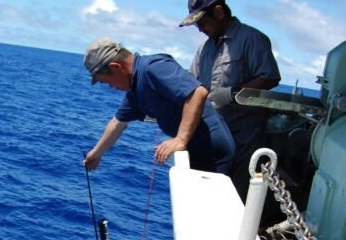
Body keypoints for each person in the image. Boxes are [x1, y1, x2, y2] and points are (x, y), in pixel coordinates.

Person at [179, 0, 281, 200]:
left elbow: (269, 77)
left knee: (234, 195)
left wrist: (233, 93)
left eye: (201, 23)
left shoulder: (251, 39)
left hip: (243, 137)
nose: (199, 29)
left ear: (218, 12)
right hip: (212, 135)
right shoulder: (204, 48)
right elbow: (192, 82)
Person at [82, 37, 235, 174]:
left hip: (212, 151)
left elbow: (198, 93)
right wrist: (96, 153)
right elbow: (117, 123)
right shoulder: (134, 89)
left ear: (116, 67)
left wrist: (180, 139)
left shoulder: (153, 67)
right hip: (197, 150)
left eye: (106, 81)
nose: (110, 86)